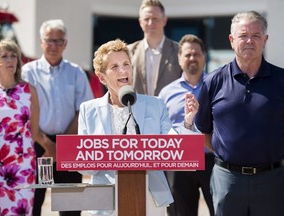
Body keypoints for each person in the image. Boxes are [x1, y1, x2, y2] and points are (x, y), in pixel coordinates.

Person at [78, 39, 198, 216]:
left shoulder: (155, 105)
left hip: (150, 199)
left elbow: (173, 148)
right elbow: (84, 164)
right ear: (102, 77)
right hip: (104, 201)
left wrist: (187, 122)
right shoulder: (88, 110)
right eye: (115, 66)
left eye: (126, 64)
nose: (123, 70)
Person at [195, 11, 284, 216]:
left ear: (265, 40)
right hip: (228, 180)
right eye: (243, 35)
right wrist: (228, 156)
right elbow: (204, 131)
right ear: (232, 40)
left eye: (256, 35)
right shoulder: (213, 81)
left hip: (273, 180)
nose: (249, 41)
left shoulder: (281, 80)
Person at [22, 19, 94, 216]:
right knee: (34, 203)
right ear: (41, 42)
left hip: (68, 146)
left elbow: (84, 110)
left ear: (65, 44)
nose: (53, 45)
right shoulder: (28, 72)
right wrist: (48, 146)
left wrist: (60, 146)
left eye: (58, 41)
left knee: (70, 206)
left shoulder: (76, 72)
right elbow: (24, 111)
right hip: (38, 145)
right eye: (49, 40)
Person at [159, 34, 214, 216]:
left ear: (204, 57)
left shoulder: (216, 87)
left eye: (196, 54)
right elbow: (161, 130)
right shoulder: (166, 93)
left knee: (219, 210)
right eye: (188, 54)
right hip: (178, 162)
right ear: (179, 59)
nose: (192, 58)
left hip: (211, 160)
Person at [0, 40, 50, 215]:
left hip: (22, 164)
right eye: (5, 56)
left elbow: (34, 131)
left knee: (21, 210)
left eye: (14, 56)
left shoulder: (28, 90)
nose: (11, 60)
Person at [128, 0, 182, 96]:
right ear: (140, 22)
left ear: (164, 20)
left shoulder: (179, 51)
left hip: (169, 110)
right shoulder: (128, 52)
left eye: (155, 18)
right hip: (137, 110)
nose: (150, 23)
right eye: (146, 19)